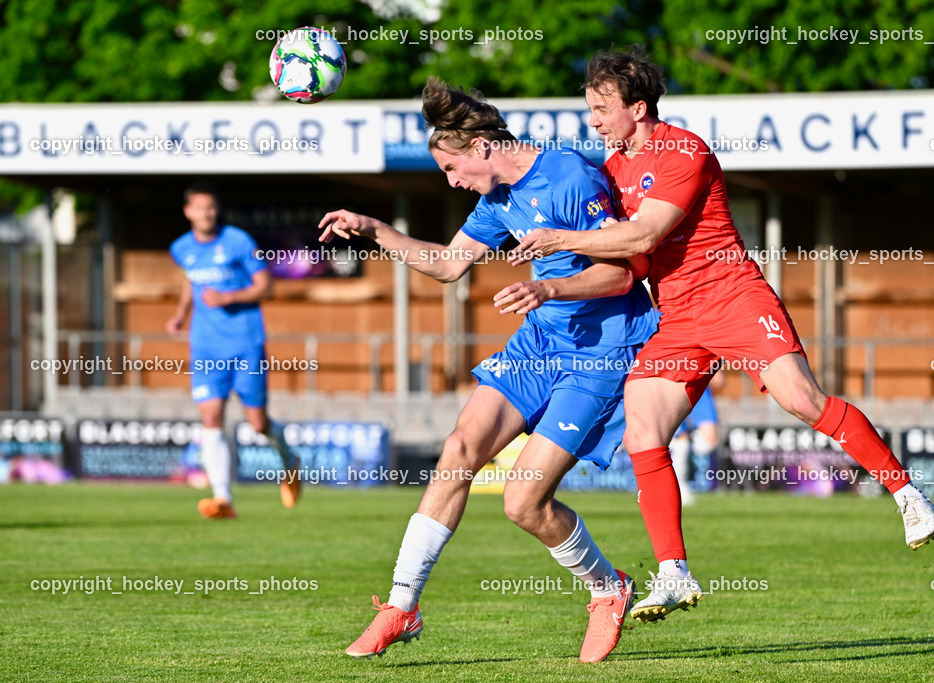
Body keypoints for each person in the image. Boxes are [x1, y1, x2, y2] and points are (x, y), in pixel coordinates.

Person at [513, 47, 934, 622]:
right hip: (678, 316)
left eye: (601, 108)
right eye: (589, 108)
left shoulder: (684, 150)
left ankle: (908, 495)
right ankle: (672, 573)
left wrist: (561, 240)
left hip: (733, 297)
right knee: (642, 427)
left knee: (803, 400)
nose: (593, 120)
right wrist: (555, 287)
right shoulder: (611, 172)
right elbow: (633, 264)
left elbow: (645, 235)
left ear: (638, 108)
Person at [317, 77, 659, 663]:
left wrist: (548, 285)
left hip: (600, 350)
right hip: (539, 343)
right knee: (458, 448)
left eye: (452, 169)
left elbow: (625, 274)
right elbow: (450, 265)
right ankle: (402, 606)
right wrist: (376, 230)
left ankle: (608, 589)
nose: (450, 182)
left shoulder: (570, 176)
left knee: (523, 501)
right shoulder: (496, 201)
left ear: (481, 148)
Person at [167, 182, 301, 519]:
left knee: (257, 424)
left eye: (211, 207)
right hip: (206, 347)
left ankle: (290, 460)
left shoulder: (238, 241)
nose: (206, 213)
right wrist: (181, 314)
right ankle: (223, 499)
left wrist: (228, 298)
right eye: (199, 208)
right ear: (188, 212)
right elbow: (191, 281)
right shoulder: (181, 248)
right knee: (211, 417)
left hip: (245, 343)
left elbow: (266, 286)